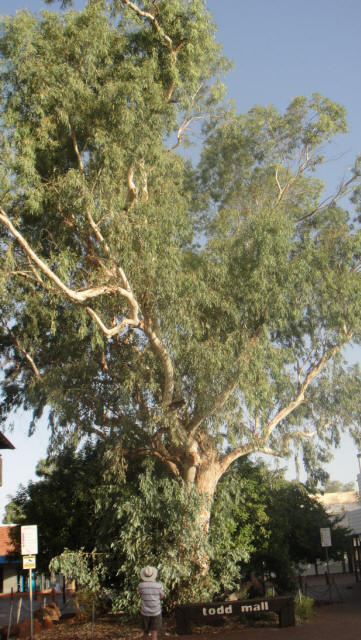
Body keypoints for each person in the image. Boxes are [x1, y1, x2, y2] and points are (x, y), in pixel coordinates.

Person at [138, 566, 163, 640]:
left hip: (145, 612)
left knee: (145, 632)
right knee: (154, 634)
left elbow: (140, 594)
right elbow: (161, 596)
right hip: (156, 611)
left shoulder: (141, 586)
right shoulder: (159, 586)